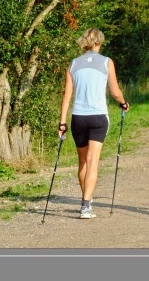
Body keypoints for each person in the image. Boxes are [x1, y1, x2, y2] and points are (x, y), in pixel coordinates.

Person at [58, 28, 129, 219]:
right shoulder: (107, 62)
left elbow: (66, 96)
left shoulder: (73, 64)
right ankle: (86, 205)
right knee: (92, 162)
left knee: (82, 162)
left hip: (78, 118)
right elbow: (115, 92)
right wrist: (123, 103)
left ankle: (85, 200)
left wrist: (62, 122)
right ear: (100, 42)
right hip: (98, 117)